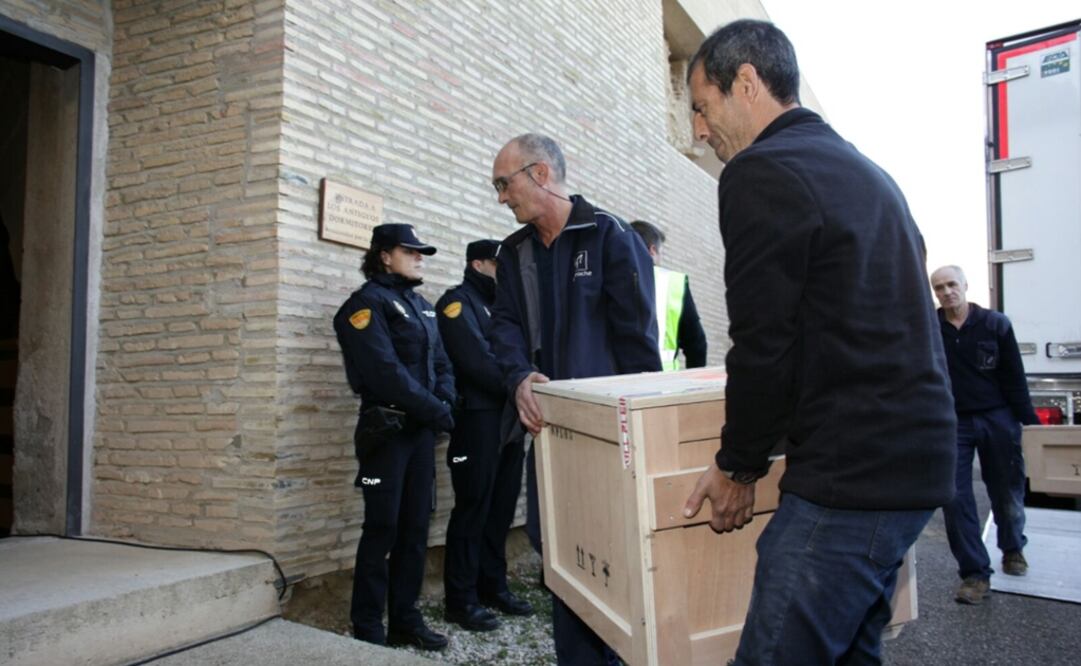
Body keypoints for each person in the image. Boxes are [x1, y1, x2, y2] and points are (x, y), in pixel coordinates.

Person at [680, 20, 957, 664]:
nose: (698, 128)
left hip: (850, 479)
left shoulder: (762, 171)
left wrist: (737, 465)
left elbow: (763, 342)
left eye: (701, 105)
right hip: (912, 465)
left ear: (745, 83)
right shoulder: (868, 174)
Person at [487, 133, 661, 665]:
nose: (500, 197)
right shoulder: (513, 254)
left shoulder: (609, 236)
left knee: (612, 558)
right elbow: (506, 328)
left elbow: (638, 343)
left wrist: (639, 434)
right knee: (559, 555)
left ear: (540, 174)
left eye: (503, 183)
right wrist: (519, 377)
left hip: (608, 439)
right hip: (547, 436)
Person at [333, 223, 456, 651]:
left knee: (415, 529)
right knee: (382, 527)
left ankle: (405, 619)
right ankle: (368, 626)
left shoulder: (422, 306)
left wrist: (444, 400)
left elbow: (442, 363)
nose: (420, 257)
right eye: (411, 251)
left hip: (421, 434)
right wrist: (437, 409)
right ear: (385, 255)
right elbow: (384, 373)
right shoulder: (364, 306)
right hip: (386, 435)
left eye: (421, 252)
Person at [436, 239, 534, 632]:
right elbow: (477, 362)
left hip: (510, 420)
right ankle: (460, 601)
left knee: (501, 510)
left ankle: (492, 586)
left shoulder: (505, 308)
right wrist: (522, 385)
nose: (504, 272)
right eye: (498, 264)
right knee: (473, 509)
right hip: (477, 422)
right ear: (478, 263)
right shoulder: (455, 304)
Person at [930, 264, 1038, 605]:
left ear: (964, 285)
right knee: (955, 498)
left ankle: (1012, 549)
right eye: (939, 288)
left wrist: (1029, 423)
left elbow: (1014, 377)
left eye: (951, 284)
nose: (946, 292)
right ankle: (975, 574)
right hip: (953, 423)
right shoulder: (930, 328)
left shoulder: (995, 324)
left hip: (998, 418)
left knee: (1006, 491)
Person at [630, 220, 708, 369]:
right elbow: (697, 344)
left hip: (613, 387)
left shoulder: (608, 277)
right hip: (664, 385)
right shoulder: (673, 283)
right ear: (652, 250)